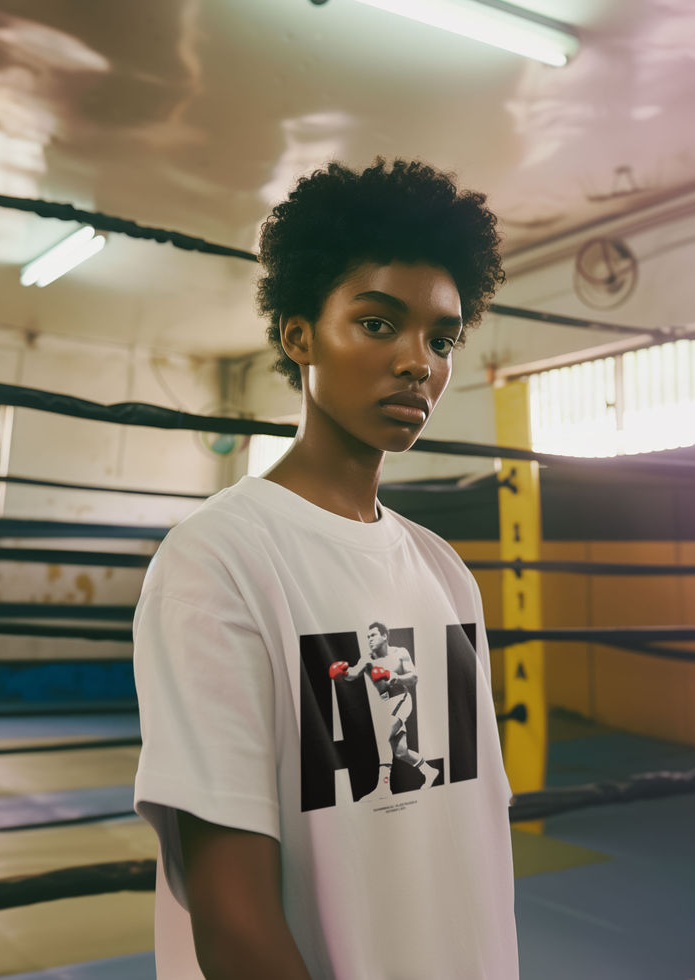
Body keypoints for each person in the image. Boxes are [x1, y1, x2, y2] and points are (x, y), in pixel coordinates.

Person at [133, 158, 520, 979]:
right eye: (378, 323)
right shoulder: (218, 558)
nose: (418, 362)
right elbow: (235, 924)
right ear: (299, 335)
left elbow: (466, 832)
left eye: (442, 339)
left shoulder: (445, 572)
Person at [331, 621, 440, 799]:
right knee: (400, 751)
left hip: (401, 698)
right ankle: (429, 771)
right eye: (367, 637)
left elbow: (413, 678)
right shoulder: (367, 659)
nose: (370, 639)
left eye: (373, 635)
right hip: (385, 704)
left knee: (383, 735)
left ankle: (383, 788)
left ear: (384, 636)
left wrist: (393, 676)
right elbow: (353, 673)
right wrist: (342, 673)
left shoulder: (400, 653)